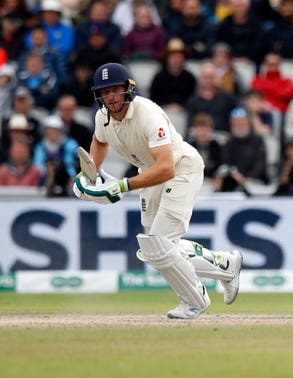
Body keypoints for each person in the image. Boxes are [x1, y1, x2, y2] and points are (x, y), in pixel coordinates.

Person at [72, 63, 243, 319]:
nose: (112, 98)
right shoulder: (102, 116)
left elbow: (166, 168)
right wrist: (89, 176)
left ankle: (194, 300)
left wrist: (121, 186)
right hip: (148, 172)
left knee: (158, 244)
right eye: (105, 93)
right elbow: (99, 141)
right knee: (158, 249)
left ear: (128, 89)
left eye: (116, 91)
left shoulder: (148, 114)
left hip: (180, 168)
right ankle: (225, 265)